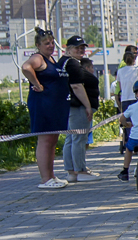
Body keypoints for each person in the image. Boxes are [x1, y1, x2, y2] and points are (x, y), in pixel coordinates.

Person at [21, 28, 72, 189]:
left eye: (52, 43)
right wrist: (37, 84)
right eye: (46, 43)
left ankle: (51, 176)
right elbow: (25, 67)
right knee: (45, 140)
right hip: (43, 105)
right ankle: (45, 179)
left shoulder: (51, 59)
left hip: (55, 106)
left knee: (53, 140)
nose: (50, 46)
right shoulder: (38, 58)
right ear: (38, 45)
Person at [61, 36, 101, 183]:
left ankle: (72, 171)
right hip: (78, 106)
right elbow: (76, 86)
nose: (81, 50)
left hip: (70, 105)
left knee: (71, 138)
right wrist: (88, 106)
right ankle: (80, 171)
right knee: (79, 138)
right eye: (77, 47)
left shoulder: (65, 62)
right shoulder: (72, 64)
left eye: (83, 47)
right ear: (68, 48)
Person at [115, 45, 138, 114]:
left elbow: (119, 85)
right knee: (137, 120)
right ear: (134, 59)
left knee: (127, 121)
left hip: (125, 98)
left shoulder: (120, 70)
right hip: (136, 97)